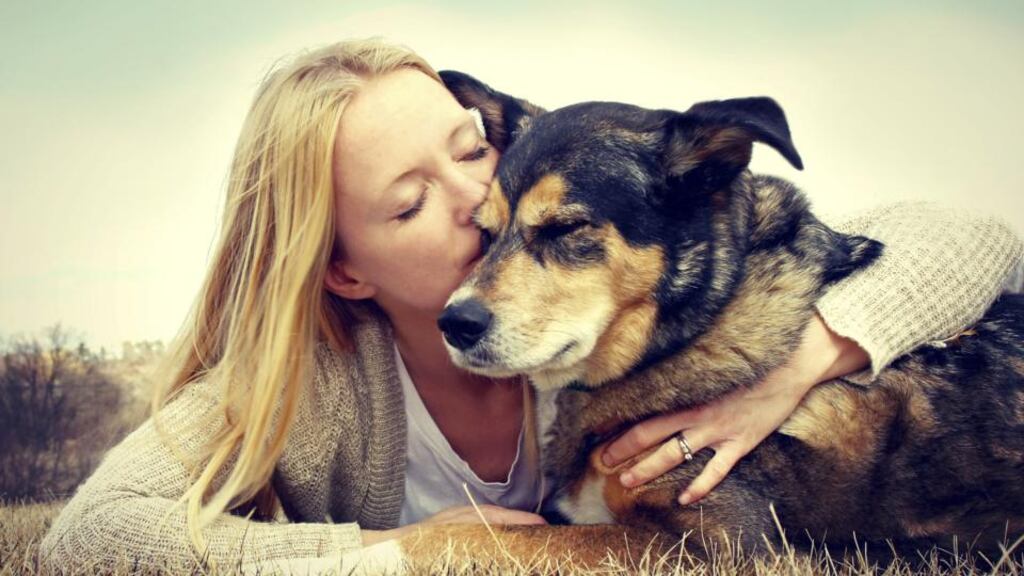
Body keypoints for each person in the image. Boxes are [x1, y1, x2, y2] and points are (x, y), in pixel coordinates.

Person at [40, 38, 1024, 571]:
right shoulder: (317, 386)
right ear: (345, 271)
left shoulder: (603, 306)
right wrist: (396, 551)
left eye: (468, 149)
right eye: (409, 201)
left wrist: (805, 365)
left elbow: (971, 240)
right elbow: (87, 538)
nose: (478, 197)